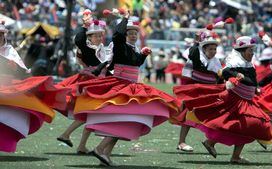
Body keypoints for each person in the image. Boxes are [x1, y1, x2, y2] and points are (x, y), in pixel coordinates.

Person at [72, 11, 179, 166]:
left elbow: (134, 63)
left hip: (130, 87)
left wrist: (143, 55)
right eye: (130, 32)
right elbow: (117, 36)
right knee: (126, 120)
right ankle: (100, 148)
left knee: (126, 121)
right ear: (125, 34)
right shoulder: (120, 45)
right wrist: (125, 19)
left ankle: (105, 155)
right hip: (121, 88)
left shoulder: (131, 48)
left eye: (136, 32)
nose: (134, 35)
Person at [178, 36, 272, 163]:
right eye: (250, 50)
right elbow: (226, 72)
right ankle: (186, 142)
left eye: (252, 50)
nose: (252, 52)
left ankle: (230, 153)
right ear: (242, 51)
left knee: (241, 127)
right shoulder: (234, 64)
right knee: (235, 125)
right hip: (235, 100)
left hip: (247, 100)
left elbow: (251, 80)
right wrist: (236, 76)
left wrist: (255, 87)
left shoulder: (247, 64)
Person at [0, 20, 69, 152]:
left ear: (4, 36)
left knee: (7, 117)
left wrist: (31, 85)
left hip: (7, 89)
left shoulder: (10, 51)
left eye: (0, 34)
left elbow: (22, 72)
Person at [56, 9, 112, 154]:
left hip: (98, 81)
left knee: (91, 115)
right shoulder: (88, 47)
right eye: (96, 36)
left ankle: (80, 145)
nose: (100, 38)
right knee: (90, 113)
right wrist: (85, 26)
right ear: (90, 37)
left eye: (101, 35)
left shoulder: (99, 48)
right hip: (93, 82)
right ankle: (66, 134)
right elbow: (79, 40)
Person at [173, 30, 224, 152]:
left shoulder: (216, 61)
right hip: (198, 92)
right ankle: (181, 142)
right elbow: (193, 54)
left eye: (214, 49)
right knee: (189, 116)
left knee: (216, 117)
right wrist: (196, 42)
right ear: (204, 49)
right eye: (210, 49)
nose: (213, 51)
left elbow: (219, 77)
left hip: (210, 92)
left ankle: (210, 142)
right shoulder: (198, 58)